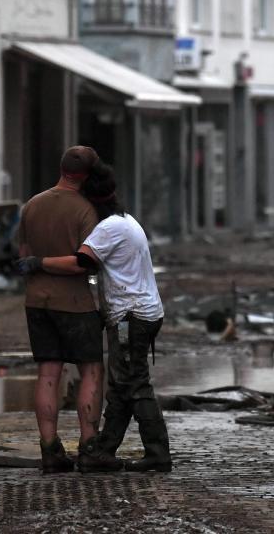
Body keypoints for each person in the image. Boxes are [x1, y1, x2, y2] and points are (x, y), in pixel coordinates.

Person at [18, 162, 172, 473]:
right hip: (136, 313)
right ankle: (101, 450)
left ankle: (158, 453)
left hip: (132, 317)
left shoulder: (109, 228)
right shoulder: (124, 221)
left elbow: (80, 262)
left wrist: (39, 262)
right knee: (121, 383)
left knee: (135, 383)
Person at [16, 146, 107, 474]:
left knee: (49, 373)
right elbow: (85, 263)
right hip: (75, 303)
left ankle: (50, 449)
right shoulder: (86, 210)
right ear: (88, 175)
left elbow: (24, 253)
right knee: (91, 370)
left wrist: (40, 266)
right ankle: (88, 446)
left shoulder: (32, 204)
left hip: (37, 301)